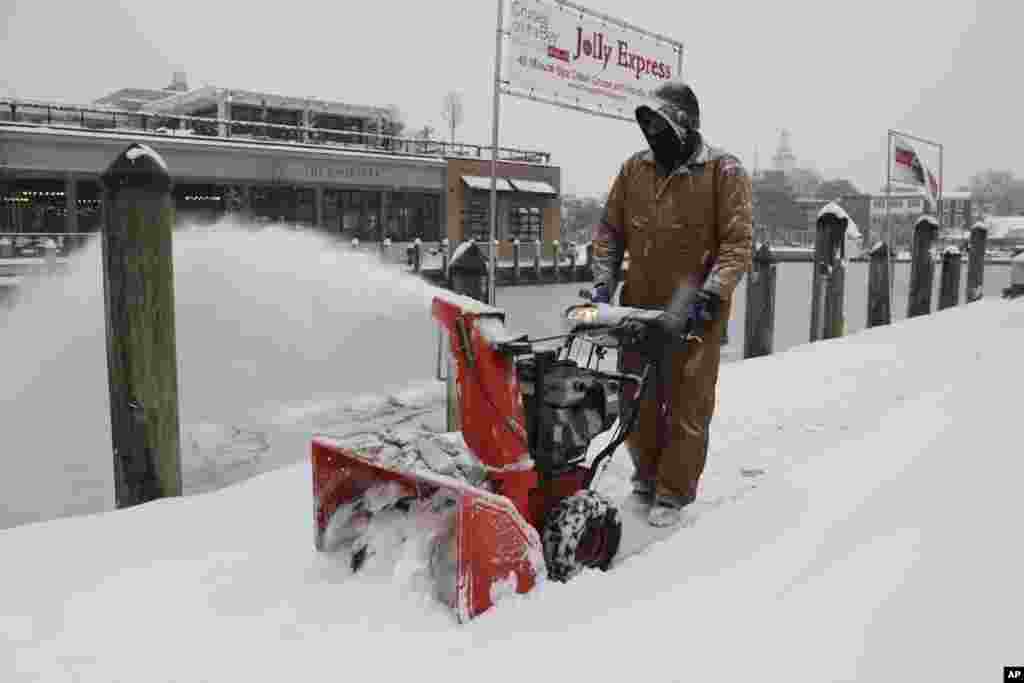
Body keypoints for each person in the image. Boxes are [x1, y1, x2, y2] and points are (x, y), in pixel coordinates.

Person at [590, 81, 753, 527]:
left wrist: (714, 291)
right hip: (639, 302)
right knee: (636, 393)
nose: (653, 136)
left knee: (687, 402)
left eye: (662, 126)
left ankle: (674, 491)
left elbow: (737, 244)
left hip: (695, 304)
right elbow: (608, 232)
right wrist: (602, 284)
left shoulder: (724, 171)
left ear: (684, 126)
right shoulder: (633, 171)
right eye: (648, 128)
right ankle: (645, 477)